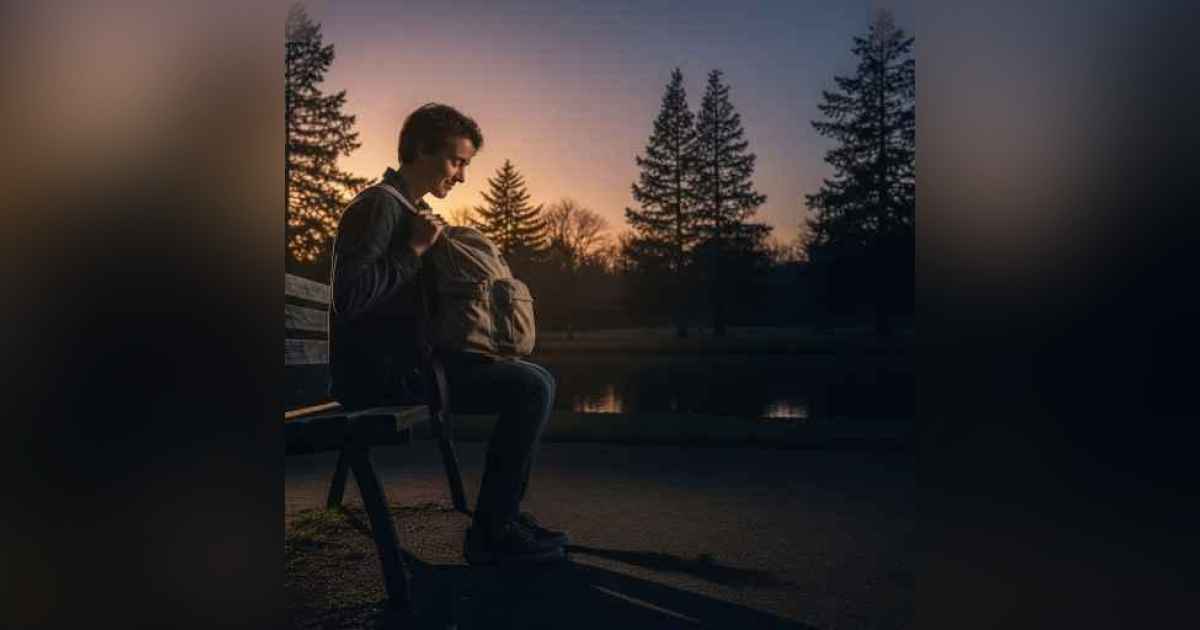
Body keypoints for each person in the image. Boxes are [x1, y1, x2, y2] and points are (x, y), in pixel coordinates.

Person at [328, 103, 568, 565]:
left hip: (407, 366)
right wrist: (415, 250)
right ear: (422, 150)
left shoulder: (408, 208)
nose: (461, 176)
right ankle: (493, 533)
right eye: (456, 162)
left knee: (534, 377)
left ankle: (503, 517)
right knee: (531, 387)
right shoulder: (378, 205)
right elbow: (350, 297)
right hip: (380, 379)